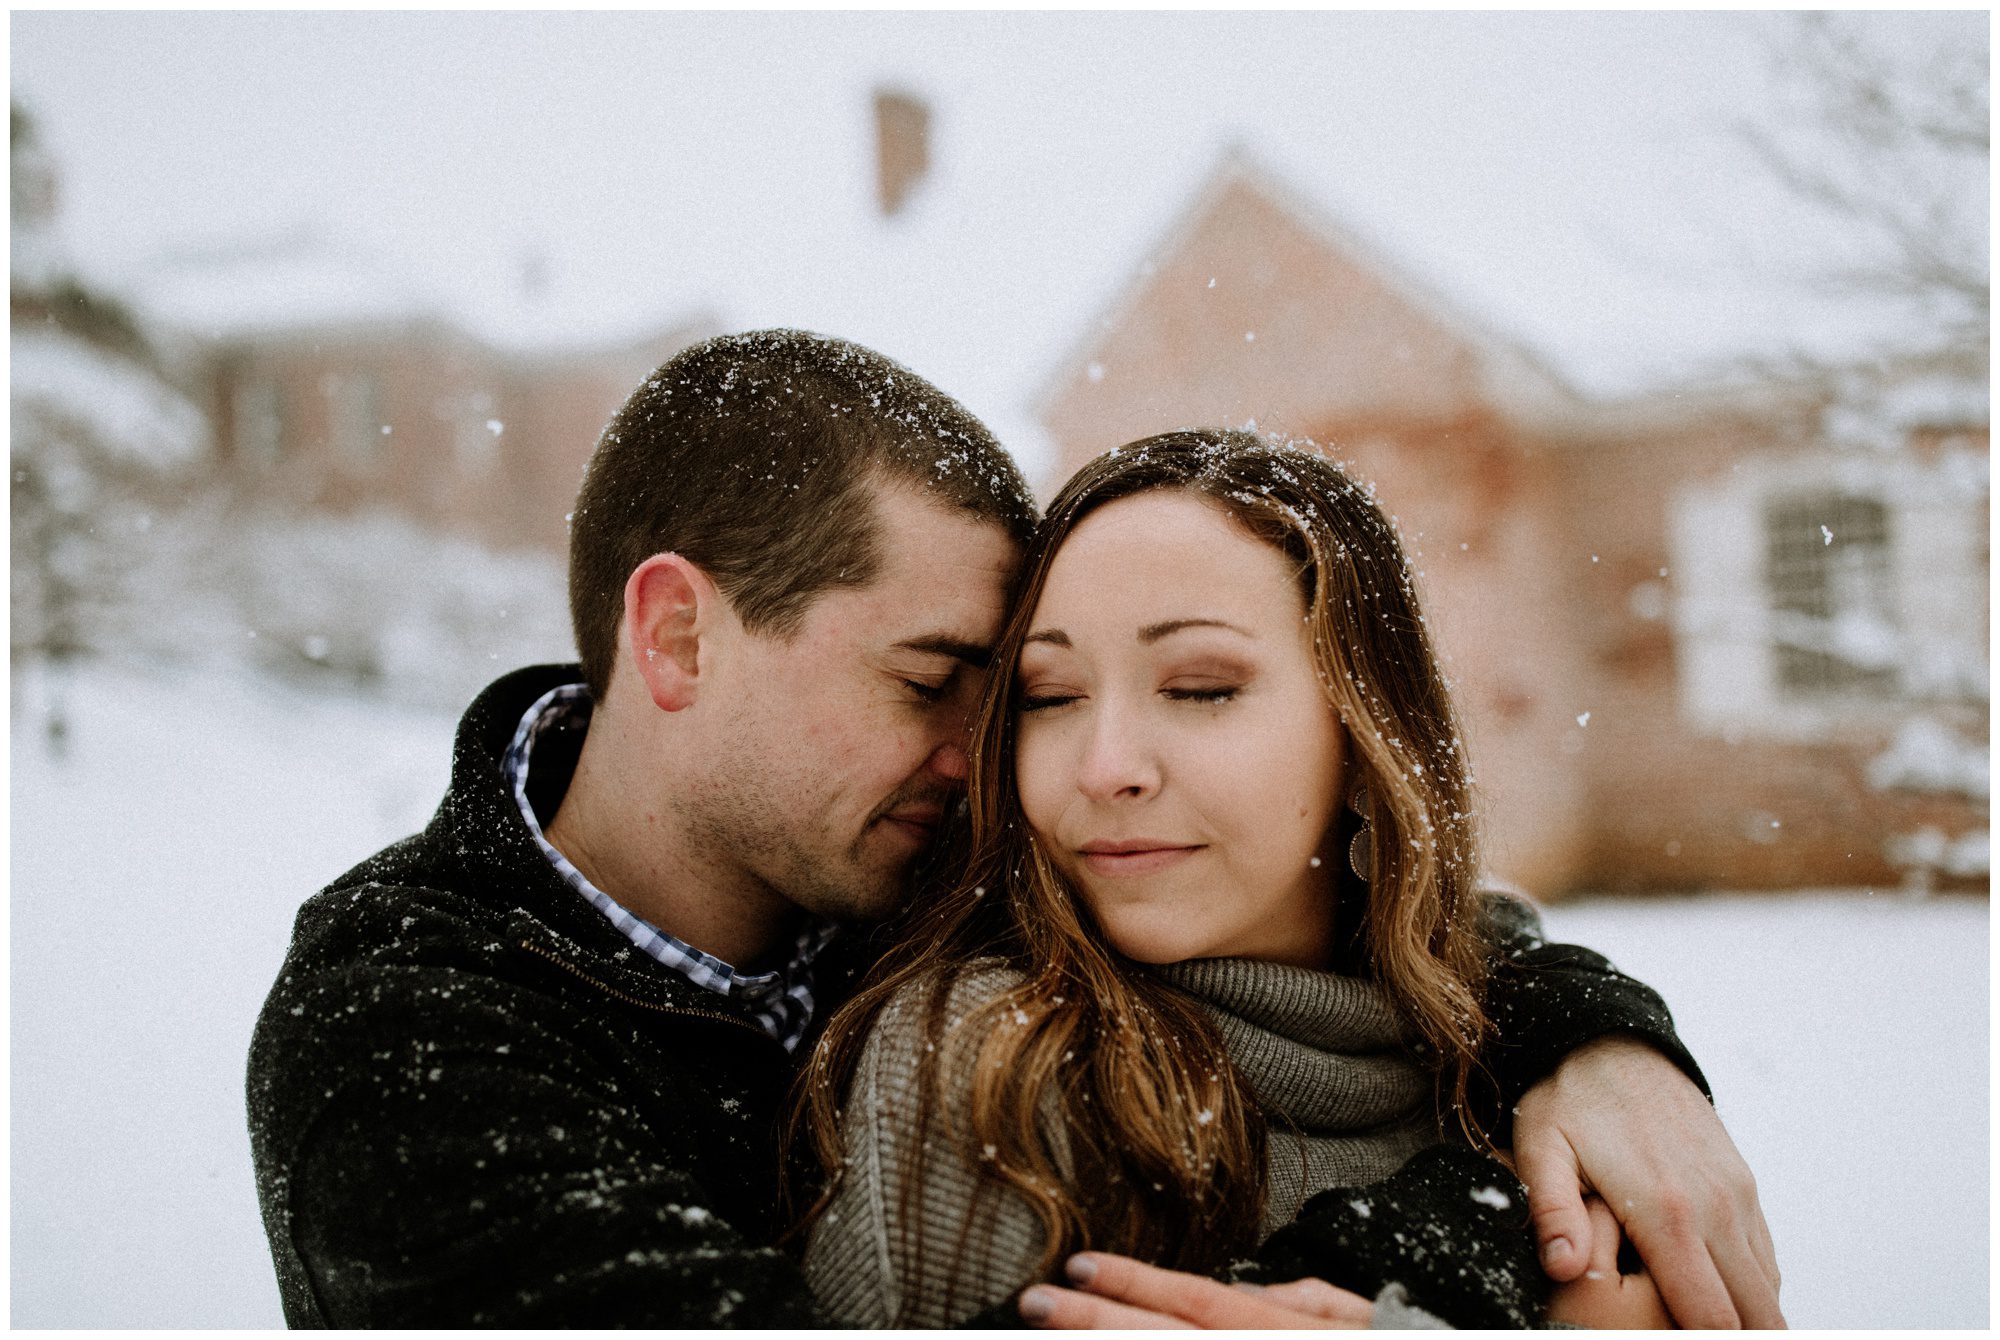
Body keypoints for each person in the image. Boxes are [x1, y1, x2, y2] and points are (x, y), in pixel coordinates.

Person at [246, 333, 1780, 1327]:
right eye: (944, 682)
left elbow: (1412, 940)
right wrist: (1455, 1270)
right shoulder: (408, 1037)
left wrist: (1600, 1045)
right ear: (681, 642)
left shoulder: (900, 879)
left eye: (1007, 696)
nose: (1021, 764)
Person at [796, 430, 1766, 1329]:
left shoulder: (1514, 1060)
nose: (1104, 766)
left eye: (1199, 686)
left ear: (1361, 734)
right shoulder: (988, 1070)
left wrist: (1600, 1039)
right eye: (1049, 697)